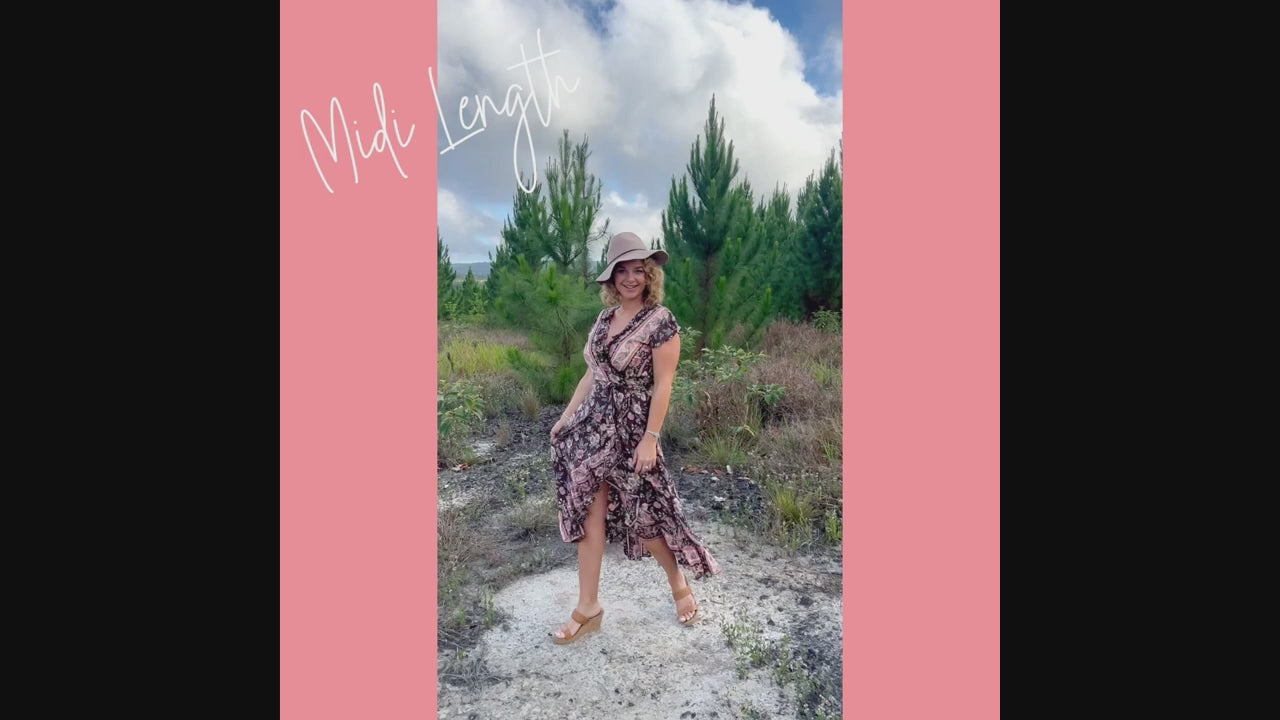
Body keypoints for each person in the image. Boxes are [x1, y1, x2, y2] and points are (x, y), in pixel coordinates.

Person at [548, 231, 722, 645]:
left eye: (637, 270)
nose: (630, 278)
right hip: (593, 430)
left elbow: (663, 385)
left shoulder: (661, 322)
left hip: (632, 432)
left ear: (649, 274)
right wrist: (566, 417)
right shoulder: (604, 321)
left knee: (645, 518)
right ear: (611, 278)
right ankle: (588, 606)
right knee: (589, 515)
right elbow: (592, 375)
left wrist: (651, 438)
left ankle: (678, 582)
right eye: (621, 271)